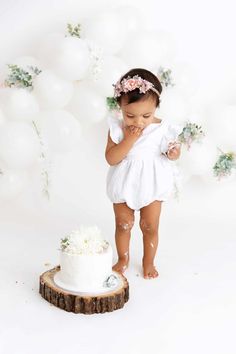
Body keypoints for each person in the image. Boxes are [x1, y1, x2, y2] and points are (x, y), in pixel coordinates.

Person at [105, 68, 182, 279]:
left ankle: (148, 262)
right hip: (123, 182)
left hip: (153, 183)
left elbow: (171, 153)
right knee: (123, 224)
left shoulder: (163, 129)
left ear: (156, 107)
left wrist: (173, 153)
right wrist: (129, 139)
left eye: (146, 115)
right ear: (120, 107)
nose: (138, 122)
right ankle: (123, 259)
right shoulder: (118, 128)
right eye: (130, 115)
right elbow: (111, 158)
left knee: (149, 226)